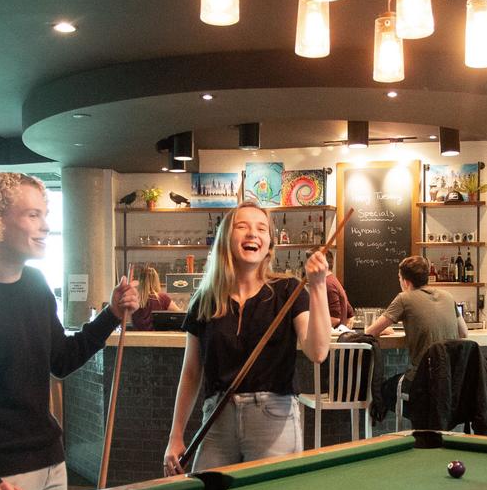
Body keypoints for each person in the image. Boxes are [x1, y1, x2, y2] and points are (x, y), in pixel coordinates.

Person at [0, 172, 137, 490]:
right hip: (4, 474)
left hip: (52, 462)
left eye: (45, 215)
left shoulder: (36, 285)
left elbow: (62, 360)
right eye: (33, 215)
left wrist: (112, 314)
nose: (45, 226)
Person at [162, 202, 331, 474]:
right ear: (226, 238)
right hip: (217, 418)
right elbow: (191, 373)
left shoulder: (288, 290)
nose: (253, 233)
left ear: (269, 244)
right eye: (242, 226)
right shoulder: (204, 299)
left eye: (262, 228)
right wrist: (176, 435)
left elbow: (318, 351)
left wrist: (318, 285)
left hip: (273, 417)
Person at [364, 254, 469, 414]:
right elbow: (464, 333)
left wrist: (385, 330)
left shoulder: (404, 298)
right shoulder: (448, 296)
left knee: (383, 390)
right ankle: (430, 419)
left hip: (423, 381)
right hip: (452, 382)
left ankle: (421, 421)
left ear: (405, 281)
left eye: (399, 278)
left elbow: (370, 332)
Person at [129, 263, 177, 331]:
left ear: (140, 281)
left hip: (138, 336)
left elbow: (125, 319)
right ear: (156, 281)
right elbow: (180, 314)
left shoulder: (134, 298)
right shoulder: (162, 298)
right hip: (157, 336)